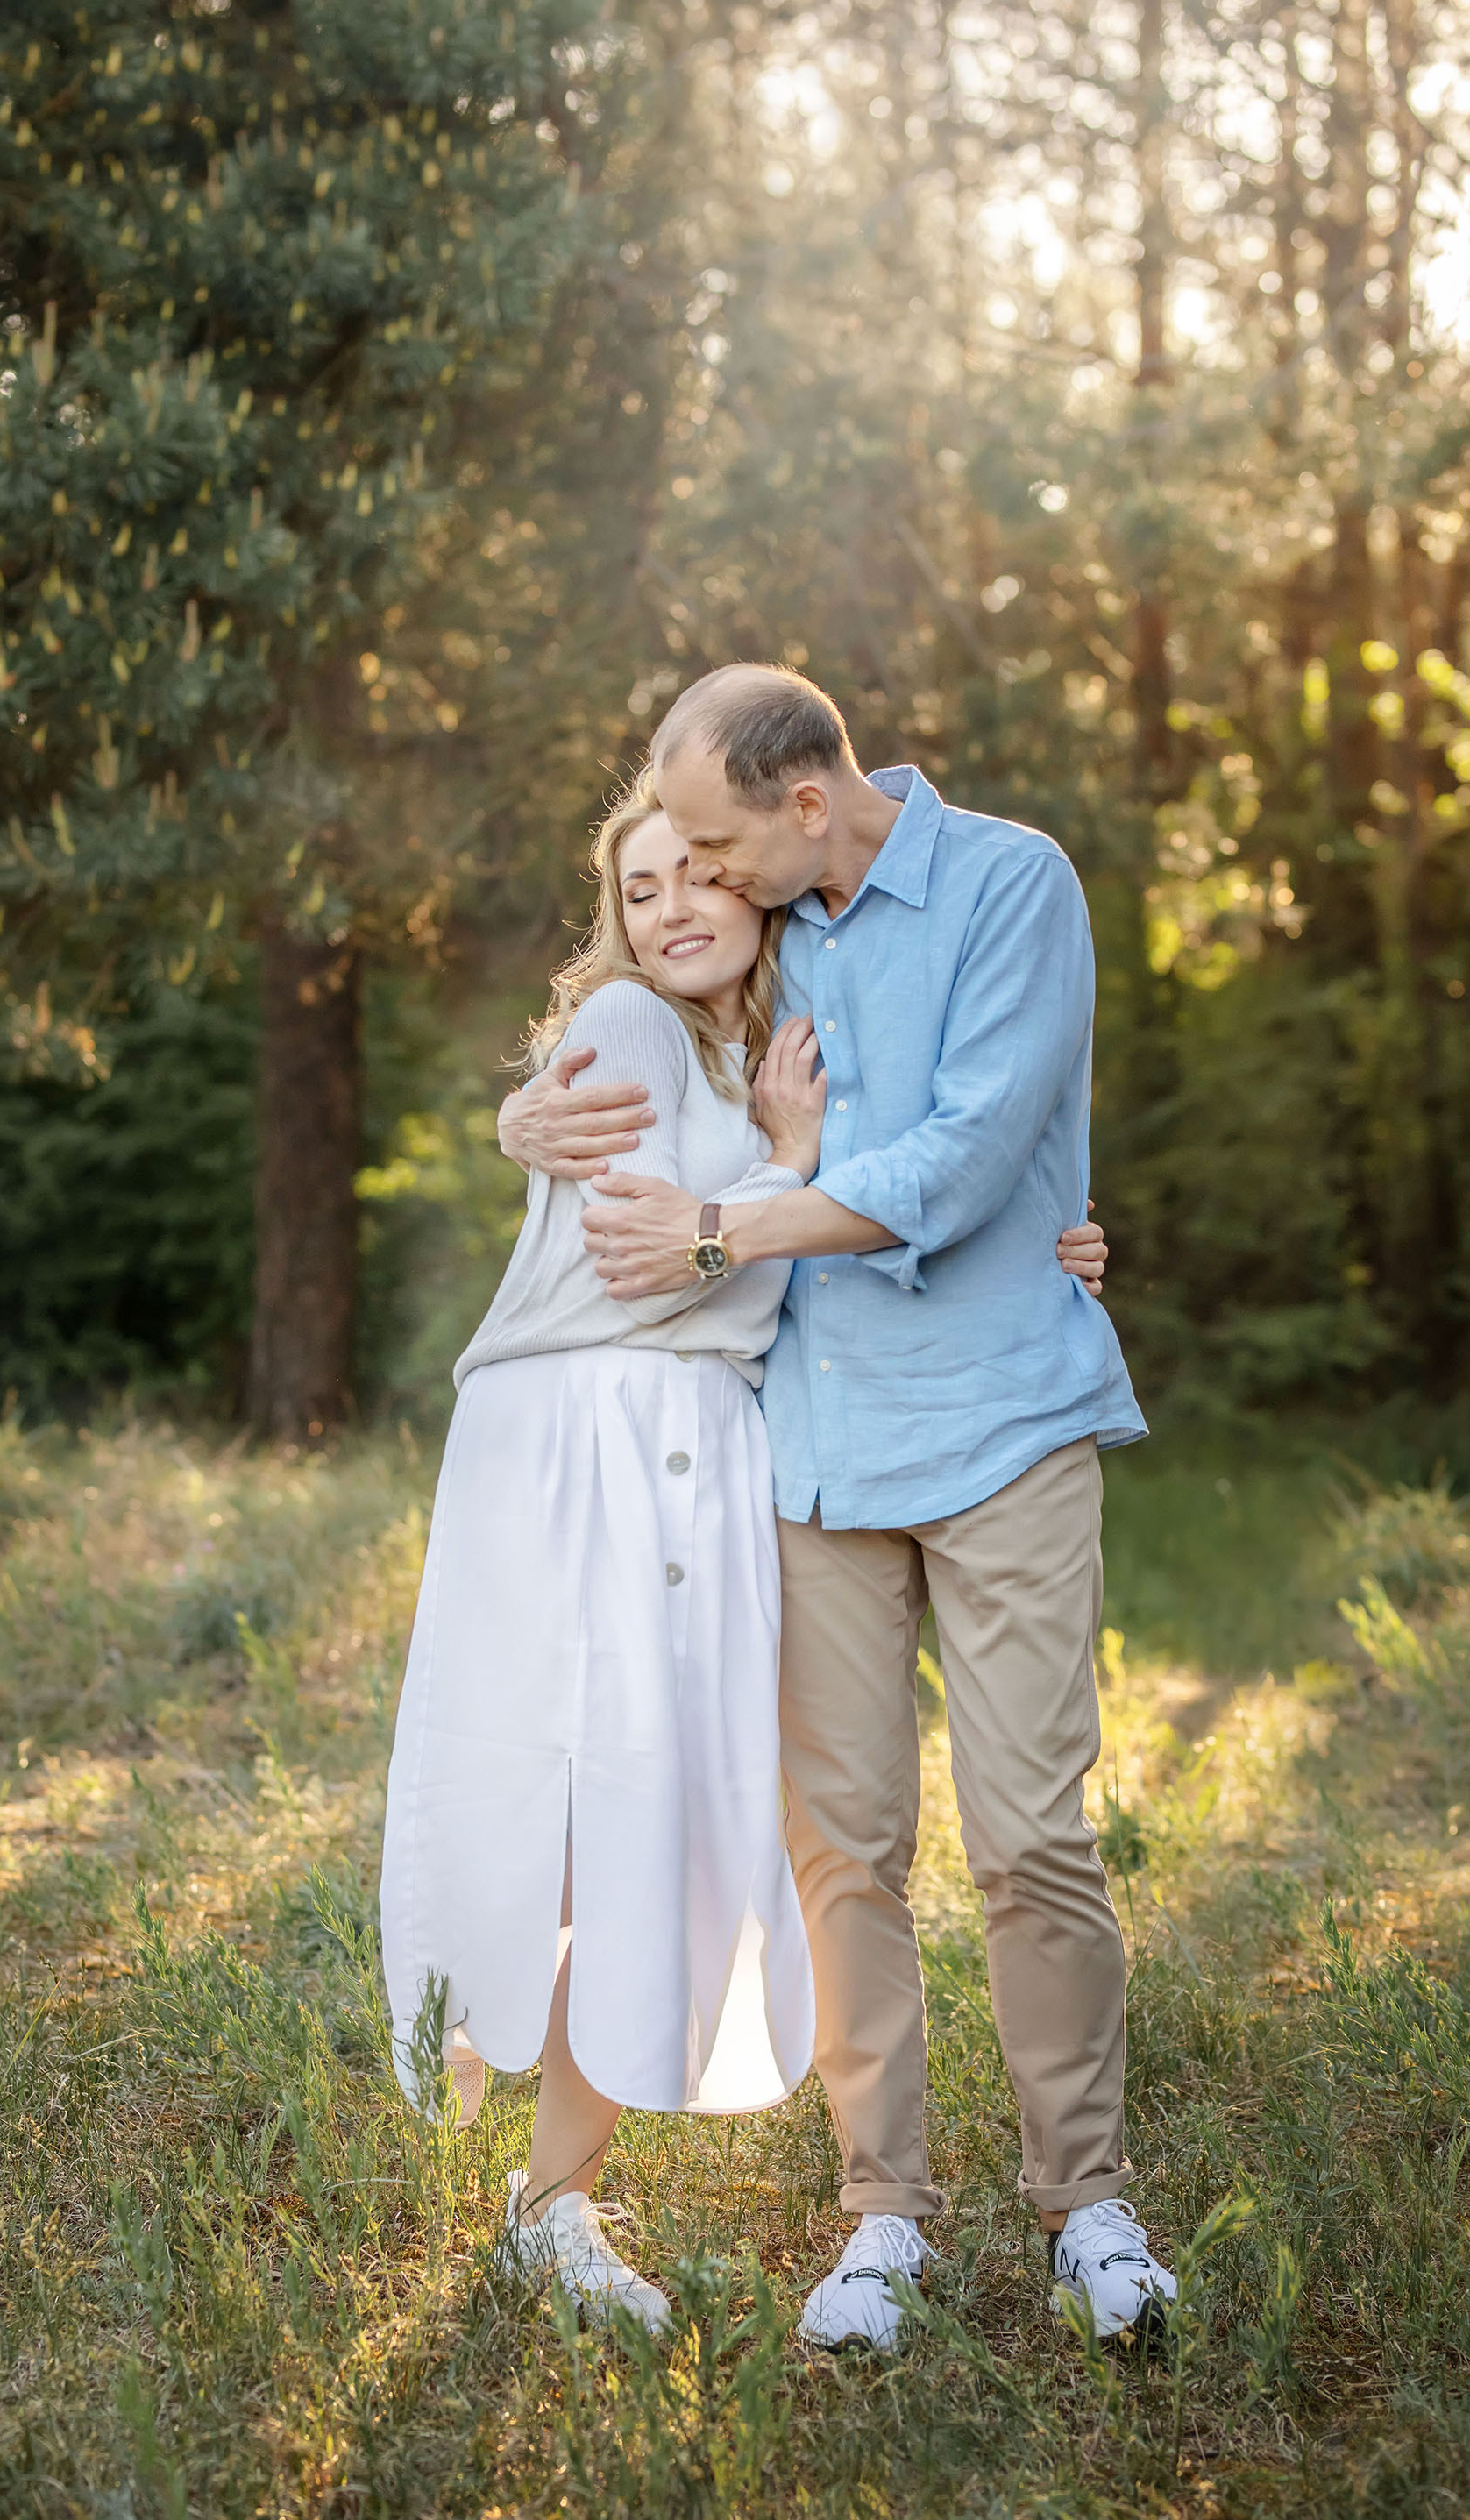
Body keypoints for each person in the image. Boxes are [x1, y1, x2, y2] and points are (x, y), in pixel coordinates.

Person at [382, 762, 1110, 2337]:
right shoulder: (644, 1033)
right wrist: (772, 1169)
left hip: (707, 1451)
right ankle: (554, 2200)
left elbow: (921, 1174)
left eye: (696, 876)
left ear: (757, 881)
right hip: (591, 1446)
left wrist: (1050, 1229)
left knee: (661, 1824)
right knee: (592, 1815)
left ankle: (554, 2197)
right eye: (638, 891)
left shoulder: (763, 1044)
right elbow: (657, 1263)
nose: (671, 908)